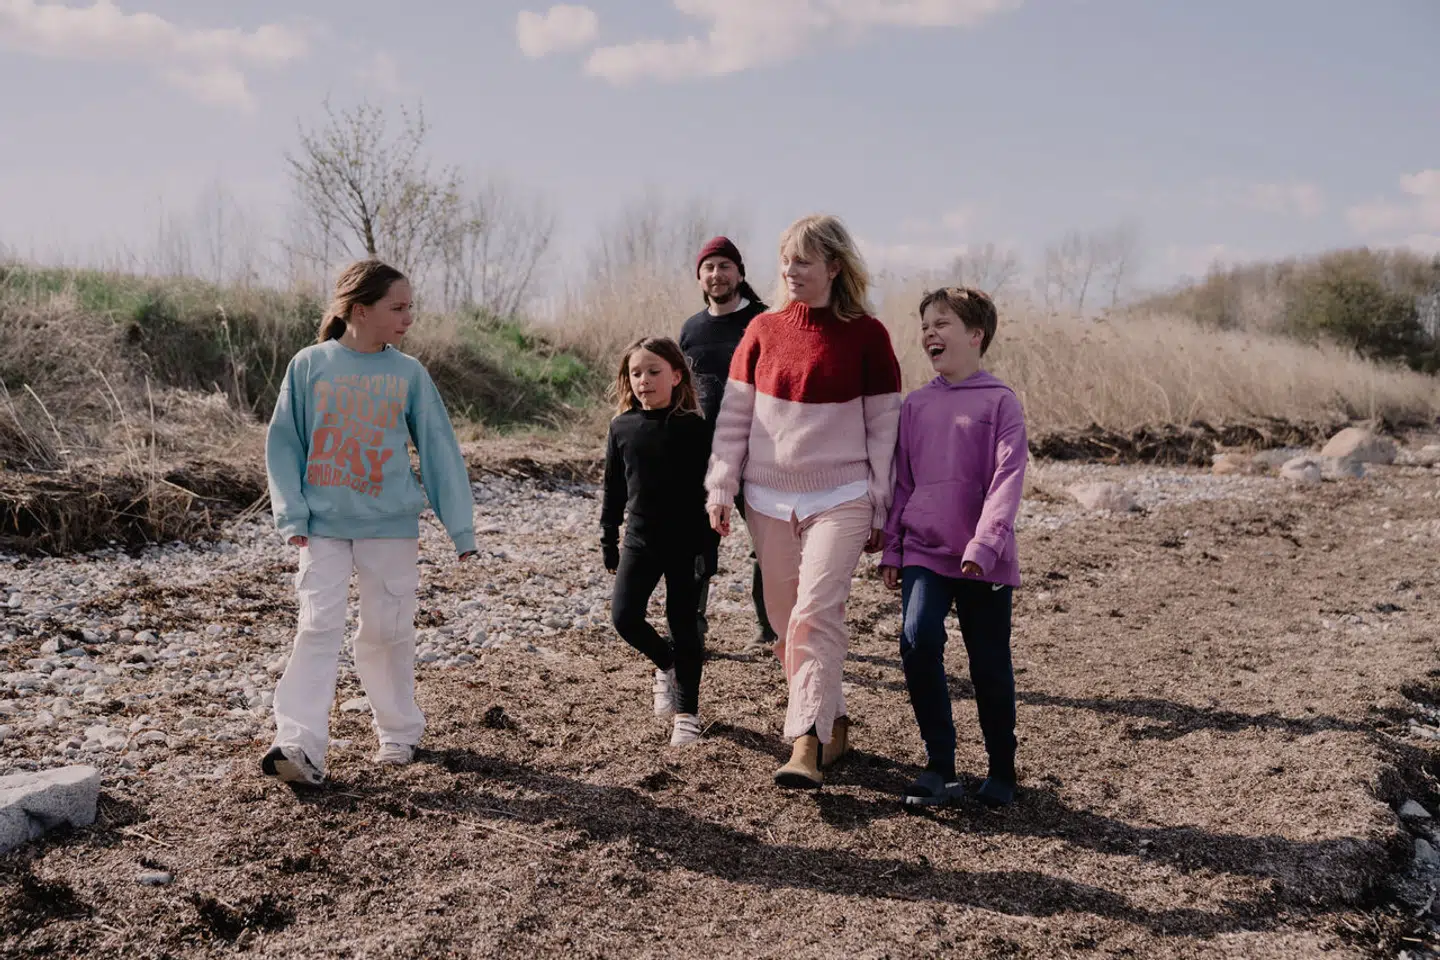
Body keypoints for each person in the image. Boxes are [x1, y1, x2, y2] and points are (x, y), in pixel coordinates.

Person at [261, 259, 477, 786]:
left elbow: (439, 451)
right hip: (322, 525)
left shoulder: (409, 374)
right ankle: (299, 745)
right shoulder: (309, 365)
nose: (408, 317)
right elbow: (284, 443)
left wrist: (461, 530)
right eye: (397, 308)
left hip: (390, 525)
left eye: (410, 307)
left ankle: (399, 732)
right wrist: (291, 511)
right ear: (361, 310)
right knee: (316, 626)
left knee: (386, 632)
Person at [705, 214, 902, 789]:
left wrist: (881, 505)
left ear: (835, 267)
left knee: (816, 614)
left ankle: (805, 742)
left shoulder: (868, 334)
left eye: (805, 261)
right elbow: (734, 418)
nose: (791, 270)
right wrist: (722, 485)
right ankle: (833, 720)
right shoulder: (762, 330)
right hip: (767, 499)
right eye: (787, 259)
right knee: (783, 620)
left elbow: (883, 428)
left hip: (842, 496)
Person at [879, 286, 1027, 808]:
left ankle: (1001, 769)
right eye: (924, 326)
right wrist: (894, 549)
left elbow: (1008, 481)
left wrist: (985, 544)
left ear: (975, 335)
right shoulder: (916, 405)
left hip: (984, 558)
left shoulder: (1000, 402)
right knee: (917, 641)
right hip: (925, 550)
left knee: (988, 663)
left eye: (941, 323)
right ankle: (940, 766)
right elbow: (904, 483)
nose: (929, 334)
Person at [601, 337, 713, 747]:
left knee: (684, 625)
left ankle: (687, 713)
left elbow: (714, 488)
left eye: (654, 371)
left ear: (676, 375)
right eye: (636, 373)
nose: (644, 380)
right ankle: (665, 663)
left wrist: (711, 543)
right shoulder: (622, 427)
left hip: (688, 544)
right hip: (640, 541)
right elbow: (613, 489)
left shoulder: (696, 429)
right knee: (624, 617)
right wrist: (607, 539)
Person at [678, 236, 776, 652]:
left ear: (739, 272)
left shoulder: (765, 322)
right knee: (697, 541)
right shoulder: (691, 330)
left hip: (760, 450)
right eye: (709, 268)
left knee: (768, 541)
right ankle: (694, 630)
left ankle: (770, 629)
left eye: (724, 266)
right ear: (700, 277)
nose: (716, 275)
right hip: (706, 454)